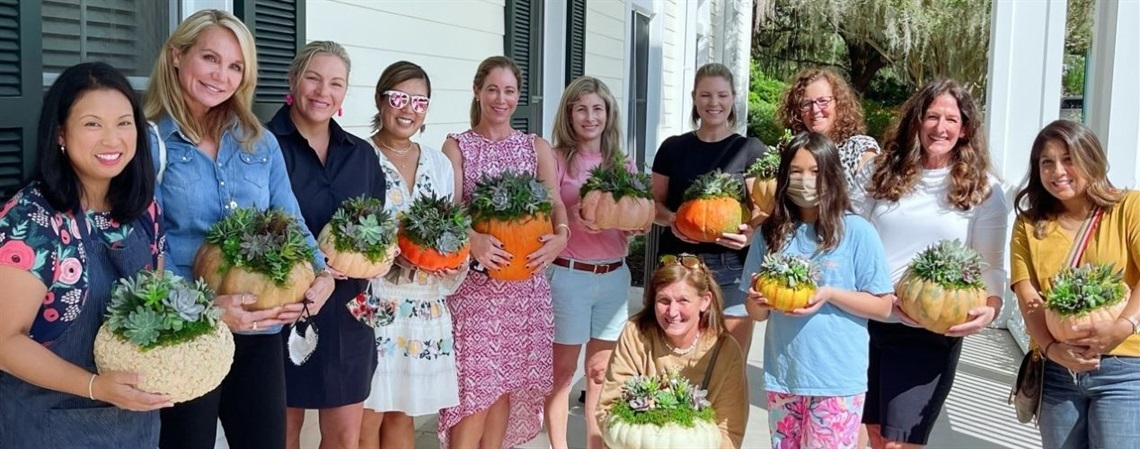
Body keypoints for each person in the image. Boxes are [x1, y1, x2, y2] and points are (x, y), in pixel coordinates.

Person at [143, 10, 334, 449]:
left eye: (235, 66)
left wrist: (320, 275)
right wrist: (206, 308)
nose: (221, 76)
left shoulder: (257, 141)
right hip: (187, 333)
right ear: (177, 56)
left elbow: (289, 221)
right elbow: (144, 247)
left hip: (259, 331)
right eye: (210, 58)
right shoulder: (149, 142)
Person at [0, 62, 168, 448]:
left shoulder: (145, 210)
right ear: (61, 133)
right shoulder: (30, 221)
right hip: (47, 429)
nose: (113, 139)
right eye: (93, 124)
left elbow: (157, 311)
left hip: (135, 427)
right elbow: (5, 343)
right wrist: (94, 386)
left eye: (124, 123)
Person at [857, 79, 1007, 449]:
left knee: (900, 443)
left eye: (951, 119)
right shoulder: (878, 173)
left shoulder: (984, 189)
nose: (941, 127)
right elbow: (850, 237)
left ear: (965, 128)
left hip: (929, 331)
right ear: (916, 121)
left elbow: (991, 265)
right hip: (864, 321)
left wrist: (991, 308)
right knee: (870, 434)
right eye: (932, 116)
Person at [438, 55, 568, 448]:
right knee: (473, 393)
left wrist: (561, 235)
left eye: (509, 91)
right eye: (492, 89)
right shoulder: (457, 146)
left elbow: (556, 204)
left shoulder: (535, 147)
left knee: (503, 391)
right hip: (475, 294)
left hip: (523, 292)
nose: (501, 98)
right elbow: (447, 213)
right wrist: (472, 240)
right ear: (478, 92)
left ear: (518, 96)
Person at [740, 132, 894, 449]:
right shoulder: (770, 233)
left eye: (815, 171)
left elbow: (883, 306)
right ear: (784, 177)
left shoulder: (857, 232)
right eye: (795, 172)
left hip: (837, 379)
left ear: (832, 176)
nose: (805, 180)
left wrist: (830, 294)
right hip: (785, 376)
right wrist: (758, 302)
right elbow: (755, 312)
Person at [267, 40, 385, 449]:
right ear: (293, 79)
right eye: (313, 78)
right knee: (280, 434)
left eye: (336, 83)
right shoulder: (262, 147)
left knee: (344, 437)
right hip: (282, 305)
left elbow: (376, 230)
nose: (323, 91)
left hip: (349, 311)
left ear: (345, 93)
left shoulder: (362, 156)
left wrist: (378, 260)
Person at [1010, 120, 1140, 449]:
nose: (1058, 171)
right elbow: (1028, 298)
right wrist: (1053, 349)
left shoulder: (1129, 208)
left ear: (1091, 158)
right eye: (1047, 162)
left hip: (1124, 368)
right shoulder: (1028, 225)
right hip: (1058, 371)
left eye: (1069, 158)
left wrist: (1124, 326)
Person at [359, 61, 463, 449]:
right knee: (367, 414)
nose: (408, 110)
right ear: (380, 100)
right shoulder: (358, 156)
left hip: (424, 305)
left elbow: (452, 230)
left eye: (419, 102)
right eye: (399, 98)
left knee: (403, 413)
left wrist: (447, 257)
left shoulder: (438, 163)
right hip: (375, 301)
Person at [544, 76, 639, 449]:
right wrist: (571, 211)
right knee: (563, 374)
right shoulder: (554, 158)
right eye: (581, 109)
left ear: (608, 113)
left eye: (597, 109)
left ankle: (596, 445)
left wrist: (636, 224)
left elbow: (635, 215)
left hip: (613, 277)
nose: (590, 117)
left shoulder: (621, 163)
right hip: (569, 276)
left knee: (600, 374)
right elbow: (546, 209)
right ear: (570, 114)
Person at [651, 62, 767, 359]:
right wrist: (673, 219)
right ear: (694, 97)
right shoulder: (673, 149)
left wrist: (751, 233)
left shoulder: (750, 150)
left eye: (721, 95)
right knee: (677, 362)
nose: (713, 103)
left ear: (732, 99)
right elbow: (653, 205)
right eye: (705, 95)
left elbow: (762, 208)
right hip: (680, 266)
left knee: (729, 365)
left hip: (732, 270)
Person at [597, 254, 749, 449]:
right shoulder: (636, 334)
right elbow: (609, 408)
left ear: (705, 301)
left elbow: (729, 432)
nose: (672, 312)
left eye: (683, 300)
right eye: (664, 300)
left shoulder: (725, 351)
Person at [777, 67, 880, 188]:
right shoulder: (793, 151)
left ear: (839, 103)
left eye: (823, 101)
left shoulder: (859, 149)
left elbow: (874, 196)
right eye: (806, 104)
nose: (815, 110)